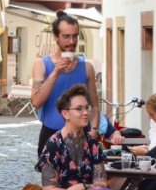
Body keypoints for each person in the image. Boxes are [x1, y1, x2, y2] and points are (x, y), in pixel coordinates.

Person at [31, 13, 116, 158]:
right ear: (56, 37)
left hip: (81, 136)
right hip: (51, 134)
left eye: (75, 36)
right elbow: (36, 102)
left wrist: (94, 130)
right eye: (66, 36)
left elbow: (94, 105)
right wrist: (56, 72)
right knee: (51, 180)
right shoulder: (42, 65)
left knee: (83, 181)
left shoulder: (86, 67)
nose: (72, 41)